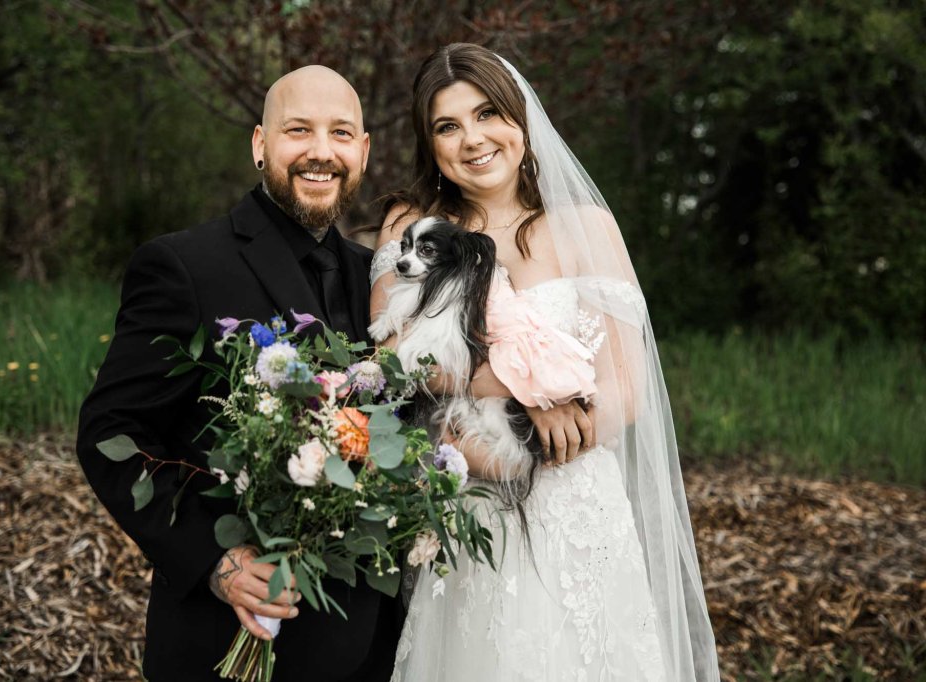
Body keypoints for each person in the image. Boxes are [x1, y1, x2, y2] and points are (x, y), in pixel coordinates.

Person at [370, 44, 719, 681]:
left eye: (487, 114)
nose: (472, 139)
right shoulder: (413, 229)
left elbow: (626, 385)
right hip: (470, 500)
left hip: (578, 508)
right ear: (430, 144)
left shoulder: (587, 226)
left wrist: (545, 444)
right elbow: (392, 360)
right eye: (448, 126)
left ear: (521, 118)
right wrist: (519, 394)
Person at [77, 65, 401, 682]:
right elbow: (109, 433)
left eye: (340, 133)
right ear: (260, 144)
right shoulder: (184, 265)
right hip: (229, 646)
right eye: (298, 130)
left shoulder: (382, 278)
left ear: (362, 151)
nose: (321, 151)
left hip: (373, 651)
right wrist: (216, 562)